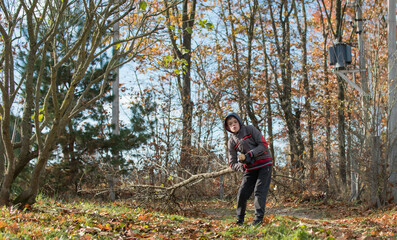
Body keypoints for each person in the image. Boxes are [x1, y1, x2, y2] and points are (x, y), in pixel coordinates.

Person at [224, 112, 273, 226]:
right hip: (250, 168)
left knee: (259, 191)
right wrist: (242, 167)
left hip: (264, 164)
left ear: (239, 122)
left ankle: (257, 221)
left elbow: (263, 145)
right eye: (230, 124)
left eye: (235, 122)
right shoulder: (231, 141)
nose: (233, 125)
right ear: (228, 127)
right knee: (242, 193)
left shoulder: (250, 129)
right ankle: (239, 221)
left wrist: (250, 154)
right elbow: (232, 163)